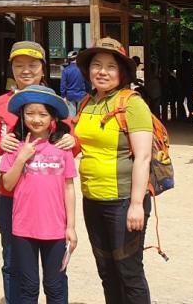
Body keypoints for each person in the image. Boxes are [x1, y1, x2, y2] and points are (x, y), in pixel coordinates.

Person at [0, 41, 78, 304]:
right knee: (13, 260)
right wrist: (0, 144)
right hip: (12, 197)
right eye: (19, 65)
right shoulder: (0, 103)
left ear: (43, 68)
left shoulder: (56, 105)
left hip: (50, 203)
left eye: (32, 65)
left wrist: (75, 142)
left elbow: (70, 142)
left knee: (54, 278)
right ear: (12, 69)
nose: (25, 70)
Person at [75, 37, 153, 303]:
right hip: (93, 199)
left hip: (123, 202)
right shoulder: (87, 103)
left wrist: (135, 204)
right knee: (106, 271)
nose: (102, 72)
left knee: (129, 271)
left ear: (121, 72)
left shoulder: (131, 103)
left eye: (110, 66)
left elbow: (143, 157)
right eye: (97, 65)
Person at [60, 50, 89, 116]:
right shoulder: (82, 69)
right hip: (82, 95)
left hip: (70, 96)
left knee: (71, 115)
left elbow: (63, 85)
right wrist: (88, 92)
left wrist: (63, 96)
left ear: (69, 59)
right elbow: (87, 83)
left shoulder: (66, 70)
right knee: (81, 114)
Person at [179, 50, 193, 120]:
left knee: (180, 101)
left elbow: (178, 76)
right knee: (190, 102)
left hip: (183, 85)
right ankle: (191, 116)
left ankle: (183, 116)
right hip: (189, 85)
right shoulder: (191, 65)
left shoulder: (181, 66)